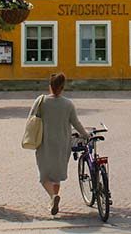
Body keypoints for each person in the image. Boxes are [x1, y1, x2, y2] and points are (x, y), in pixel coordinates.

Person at [28, 72, 89, 216]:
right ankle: (53, 201)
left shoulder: (41, 101)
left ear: (50, 86)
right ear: (63, 87)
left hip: (44, 142)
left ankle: (53, 197)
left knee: (44, 176)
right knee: (56, 176)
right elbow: (76, 123)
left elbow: (31, 119)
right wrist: (86, 135)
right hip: (63, 143)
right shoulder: (68, 104)